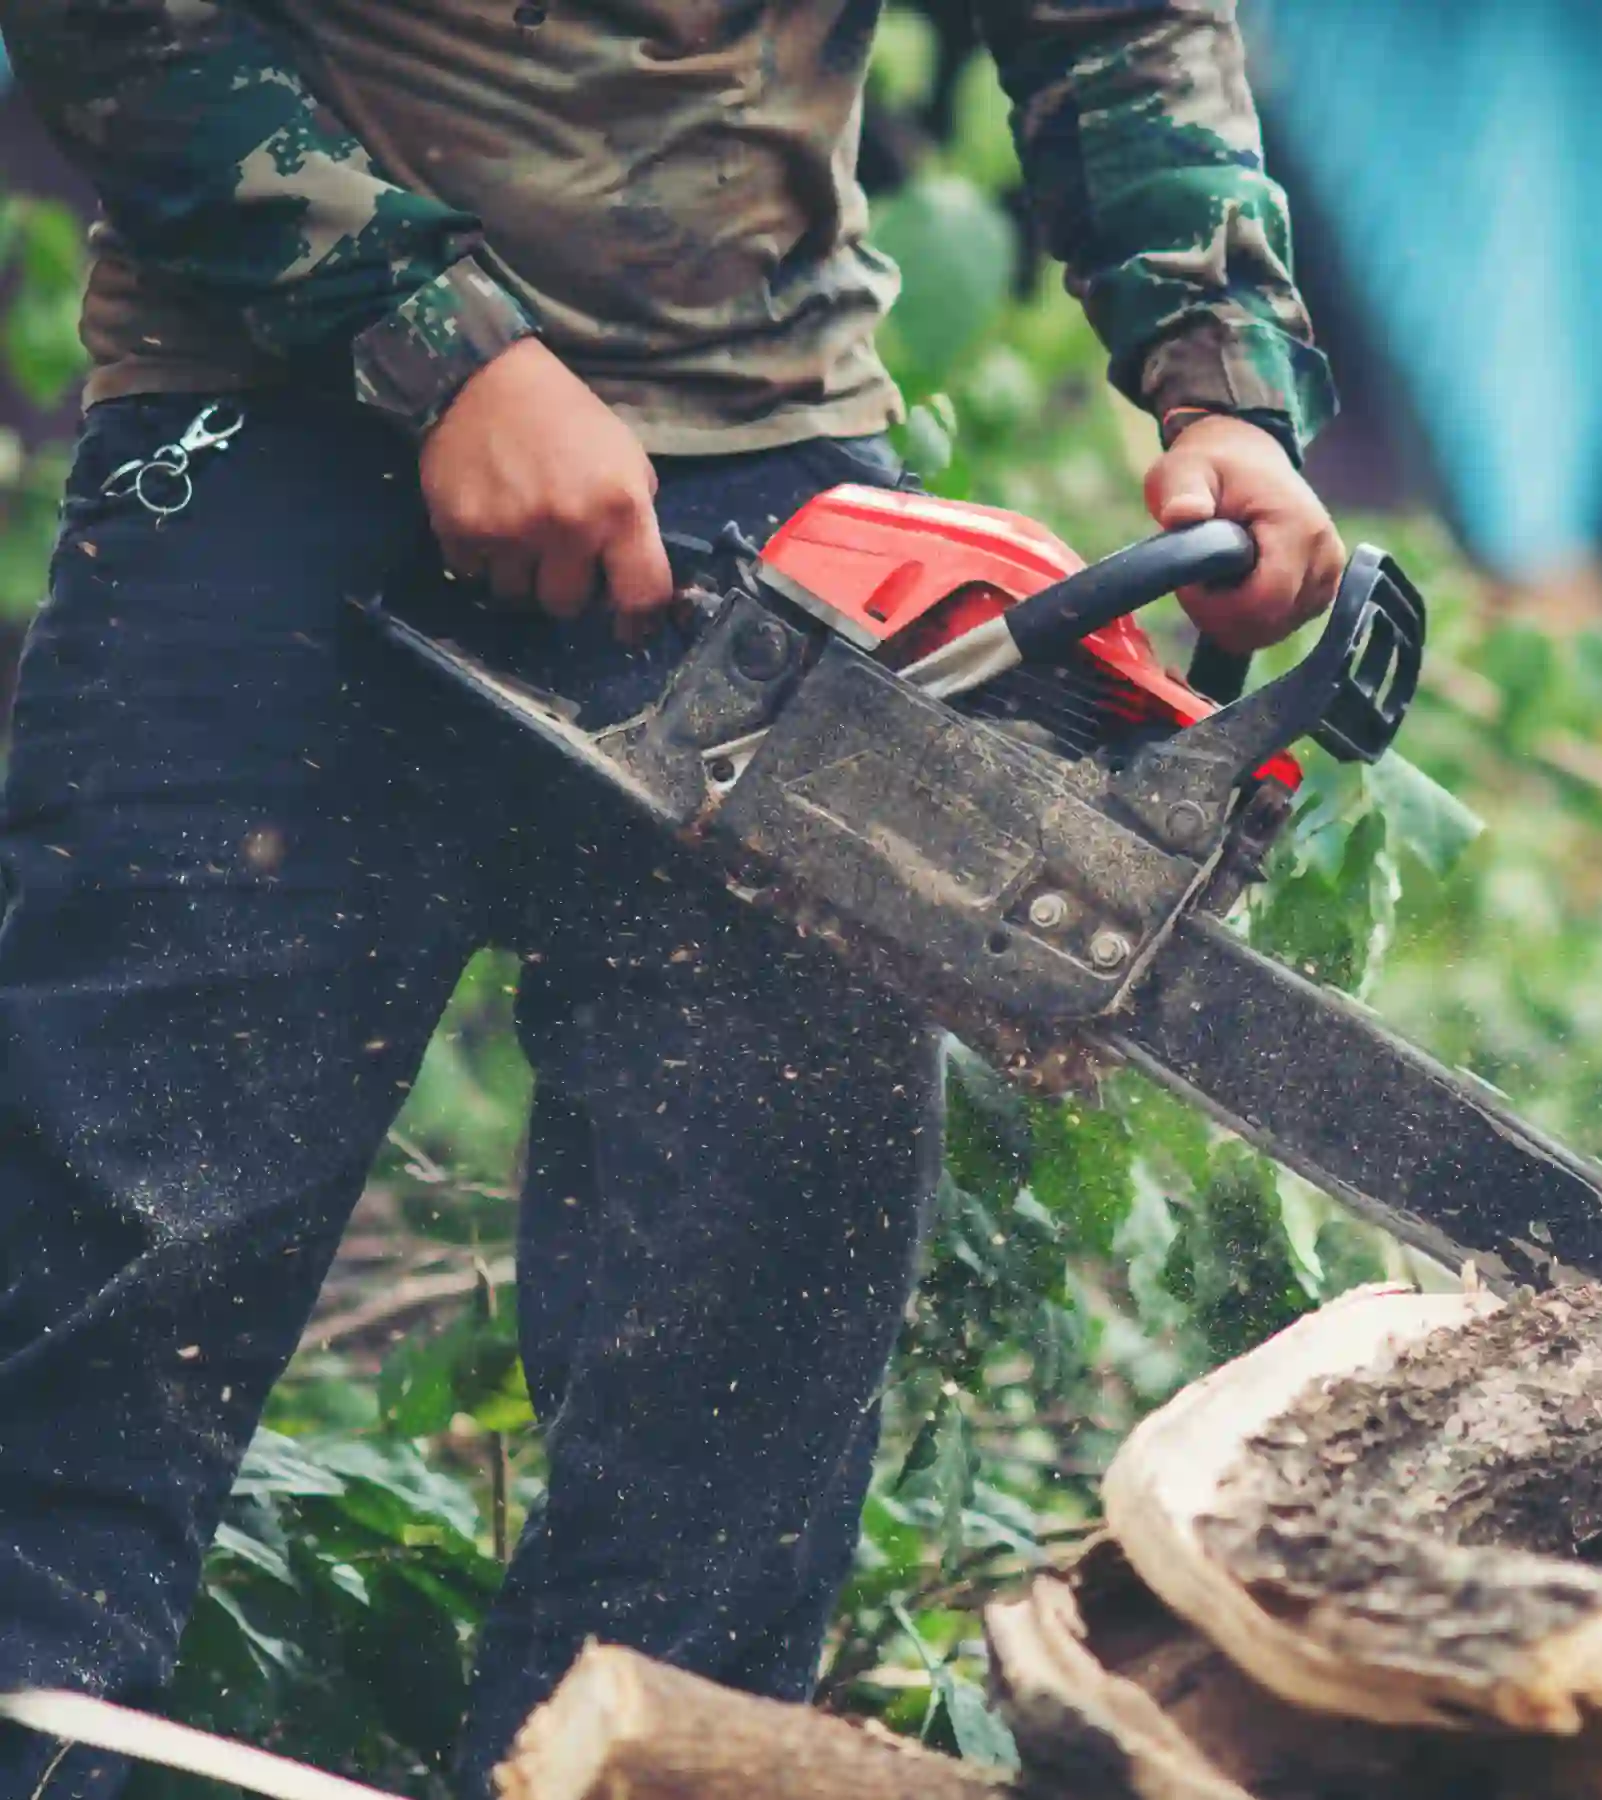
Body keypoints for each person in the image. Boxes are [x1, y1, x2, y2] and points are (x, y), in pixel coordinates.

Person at [0, 3, 1343, 1794]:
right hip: (263, 448)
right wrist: (440, 344)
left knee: (734, 1414)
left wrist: (1222, 376)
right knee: (92, 1332)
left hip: (774, 484)